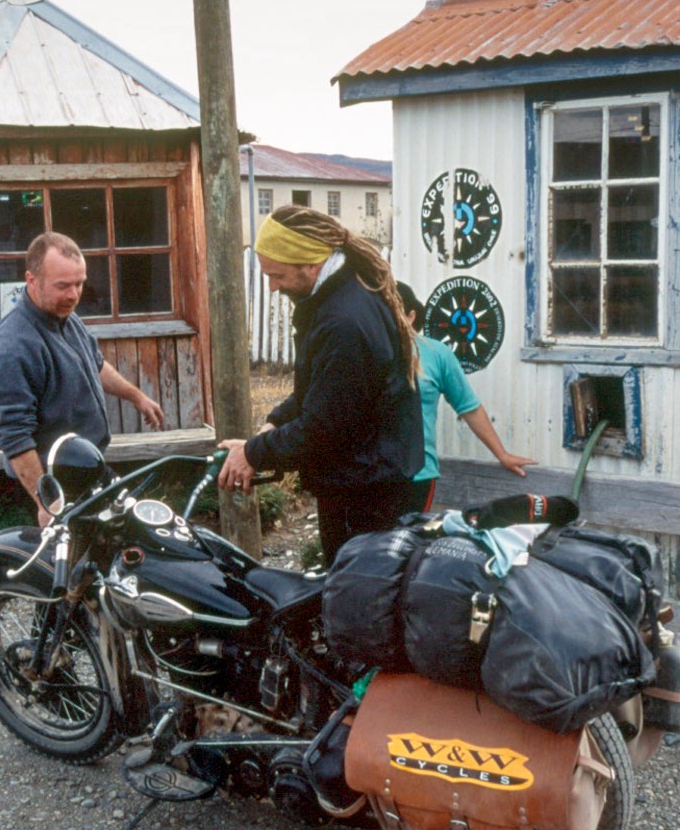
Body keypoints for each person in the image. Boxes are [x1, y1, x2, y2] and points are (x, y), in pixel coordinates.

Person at [217, 205, 423, 565]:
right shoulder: (341, 297)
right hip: (367, 481)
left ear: (310, 264)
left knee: (357, 607)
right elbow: (320, 391)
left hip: (362, 495)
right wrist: (274, 424)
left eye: (277, 275)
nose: (272, 286)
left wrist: (253, 453)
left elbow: (324, 428)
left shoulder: (343, 322)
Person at [0, 232, 164, 525]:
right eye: (63, 286)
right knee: (68, 567)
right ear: (31, 280)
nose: (74, 295)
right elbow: (13, 437)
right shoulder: (12, 346)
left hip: (86, 468)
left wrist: (136, 396)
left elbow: (96, 365)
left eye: (79, 284)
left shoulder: (66, 317)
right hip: (48, 480)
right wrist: (47, 502)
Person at [396, 281, 534, 511]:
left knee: (407, 543)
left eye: (391, 312)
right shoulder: (363, 351)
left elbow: (469, 407)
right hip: (372, 475)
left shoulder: (436, 354)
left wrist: (502, 454)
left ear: (410, 316)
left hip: (418, 475)